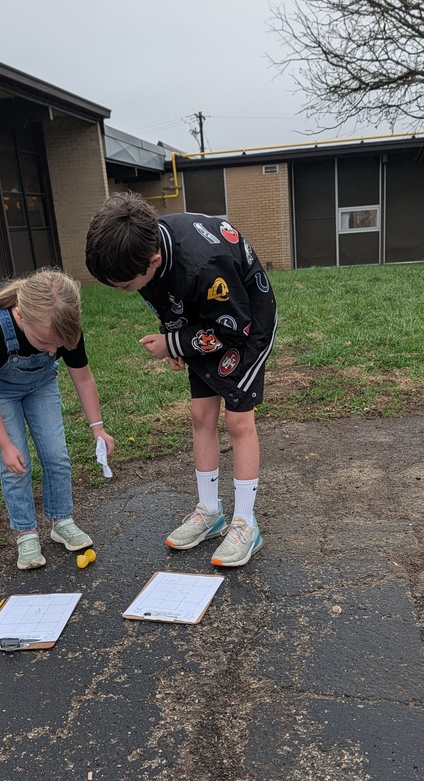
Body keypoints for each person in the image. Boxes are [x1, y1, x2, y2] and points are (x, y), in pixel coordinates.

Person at [84, 193, 277, 567]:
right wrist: (173, 335)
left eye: (125, 286)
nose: (124, 292)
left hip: (246, 328)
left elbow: (233, 328)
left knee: (238, 422)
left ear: (153, 260)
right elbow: (163, 296)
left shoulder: (205, 264)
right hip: (203, 323)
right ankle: (210, 510)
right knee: (201, 416)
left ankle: (245, 522)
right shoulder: (145, 249)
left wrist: (174, 343)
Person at [0, 268, 114, 570]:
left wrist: (97, 428)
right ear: (22, 316)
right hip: (0, 393)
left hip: (41, 386)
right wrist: (5, 445)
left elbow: (83, 378)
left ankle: (61, 521)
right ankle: (26, 533)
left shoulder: (64, 328)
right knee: (16, 465)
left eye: (58, 345)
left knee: (57, 456)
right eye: (44, 342)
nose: (52, 350)